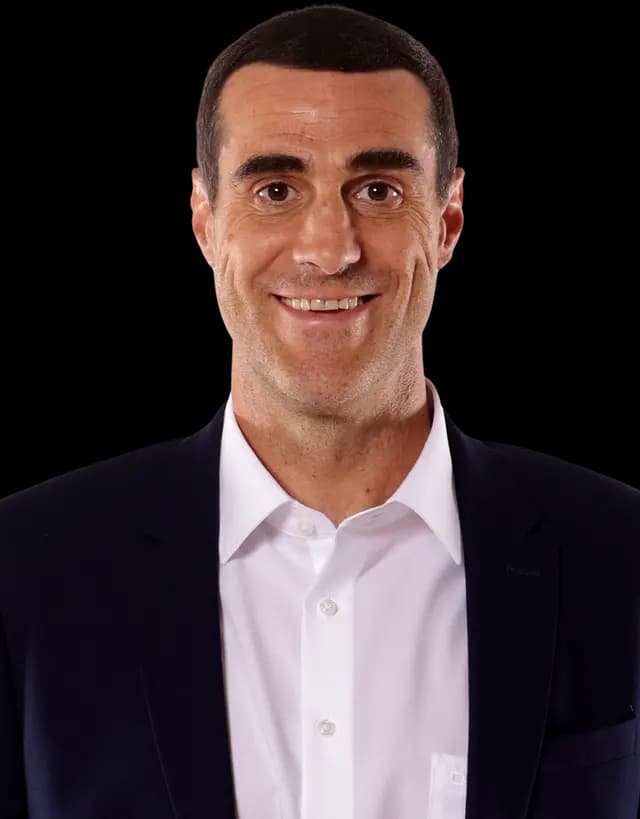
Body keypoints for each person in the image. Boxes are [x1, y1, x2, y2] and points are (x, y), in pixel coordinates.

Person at [1, 4, 638, 818]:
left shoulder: (622, 555)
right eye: (275, 189)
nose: (329, 249)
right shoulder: (25, 569)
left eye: (378, 190)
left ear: (447, 220)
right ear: (205, 221)